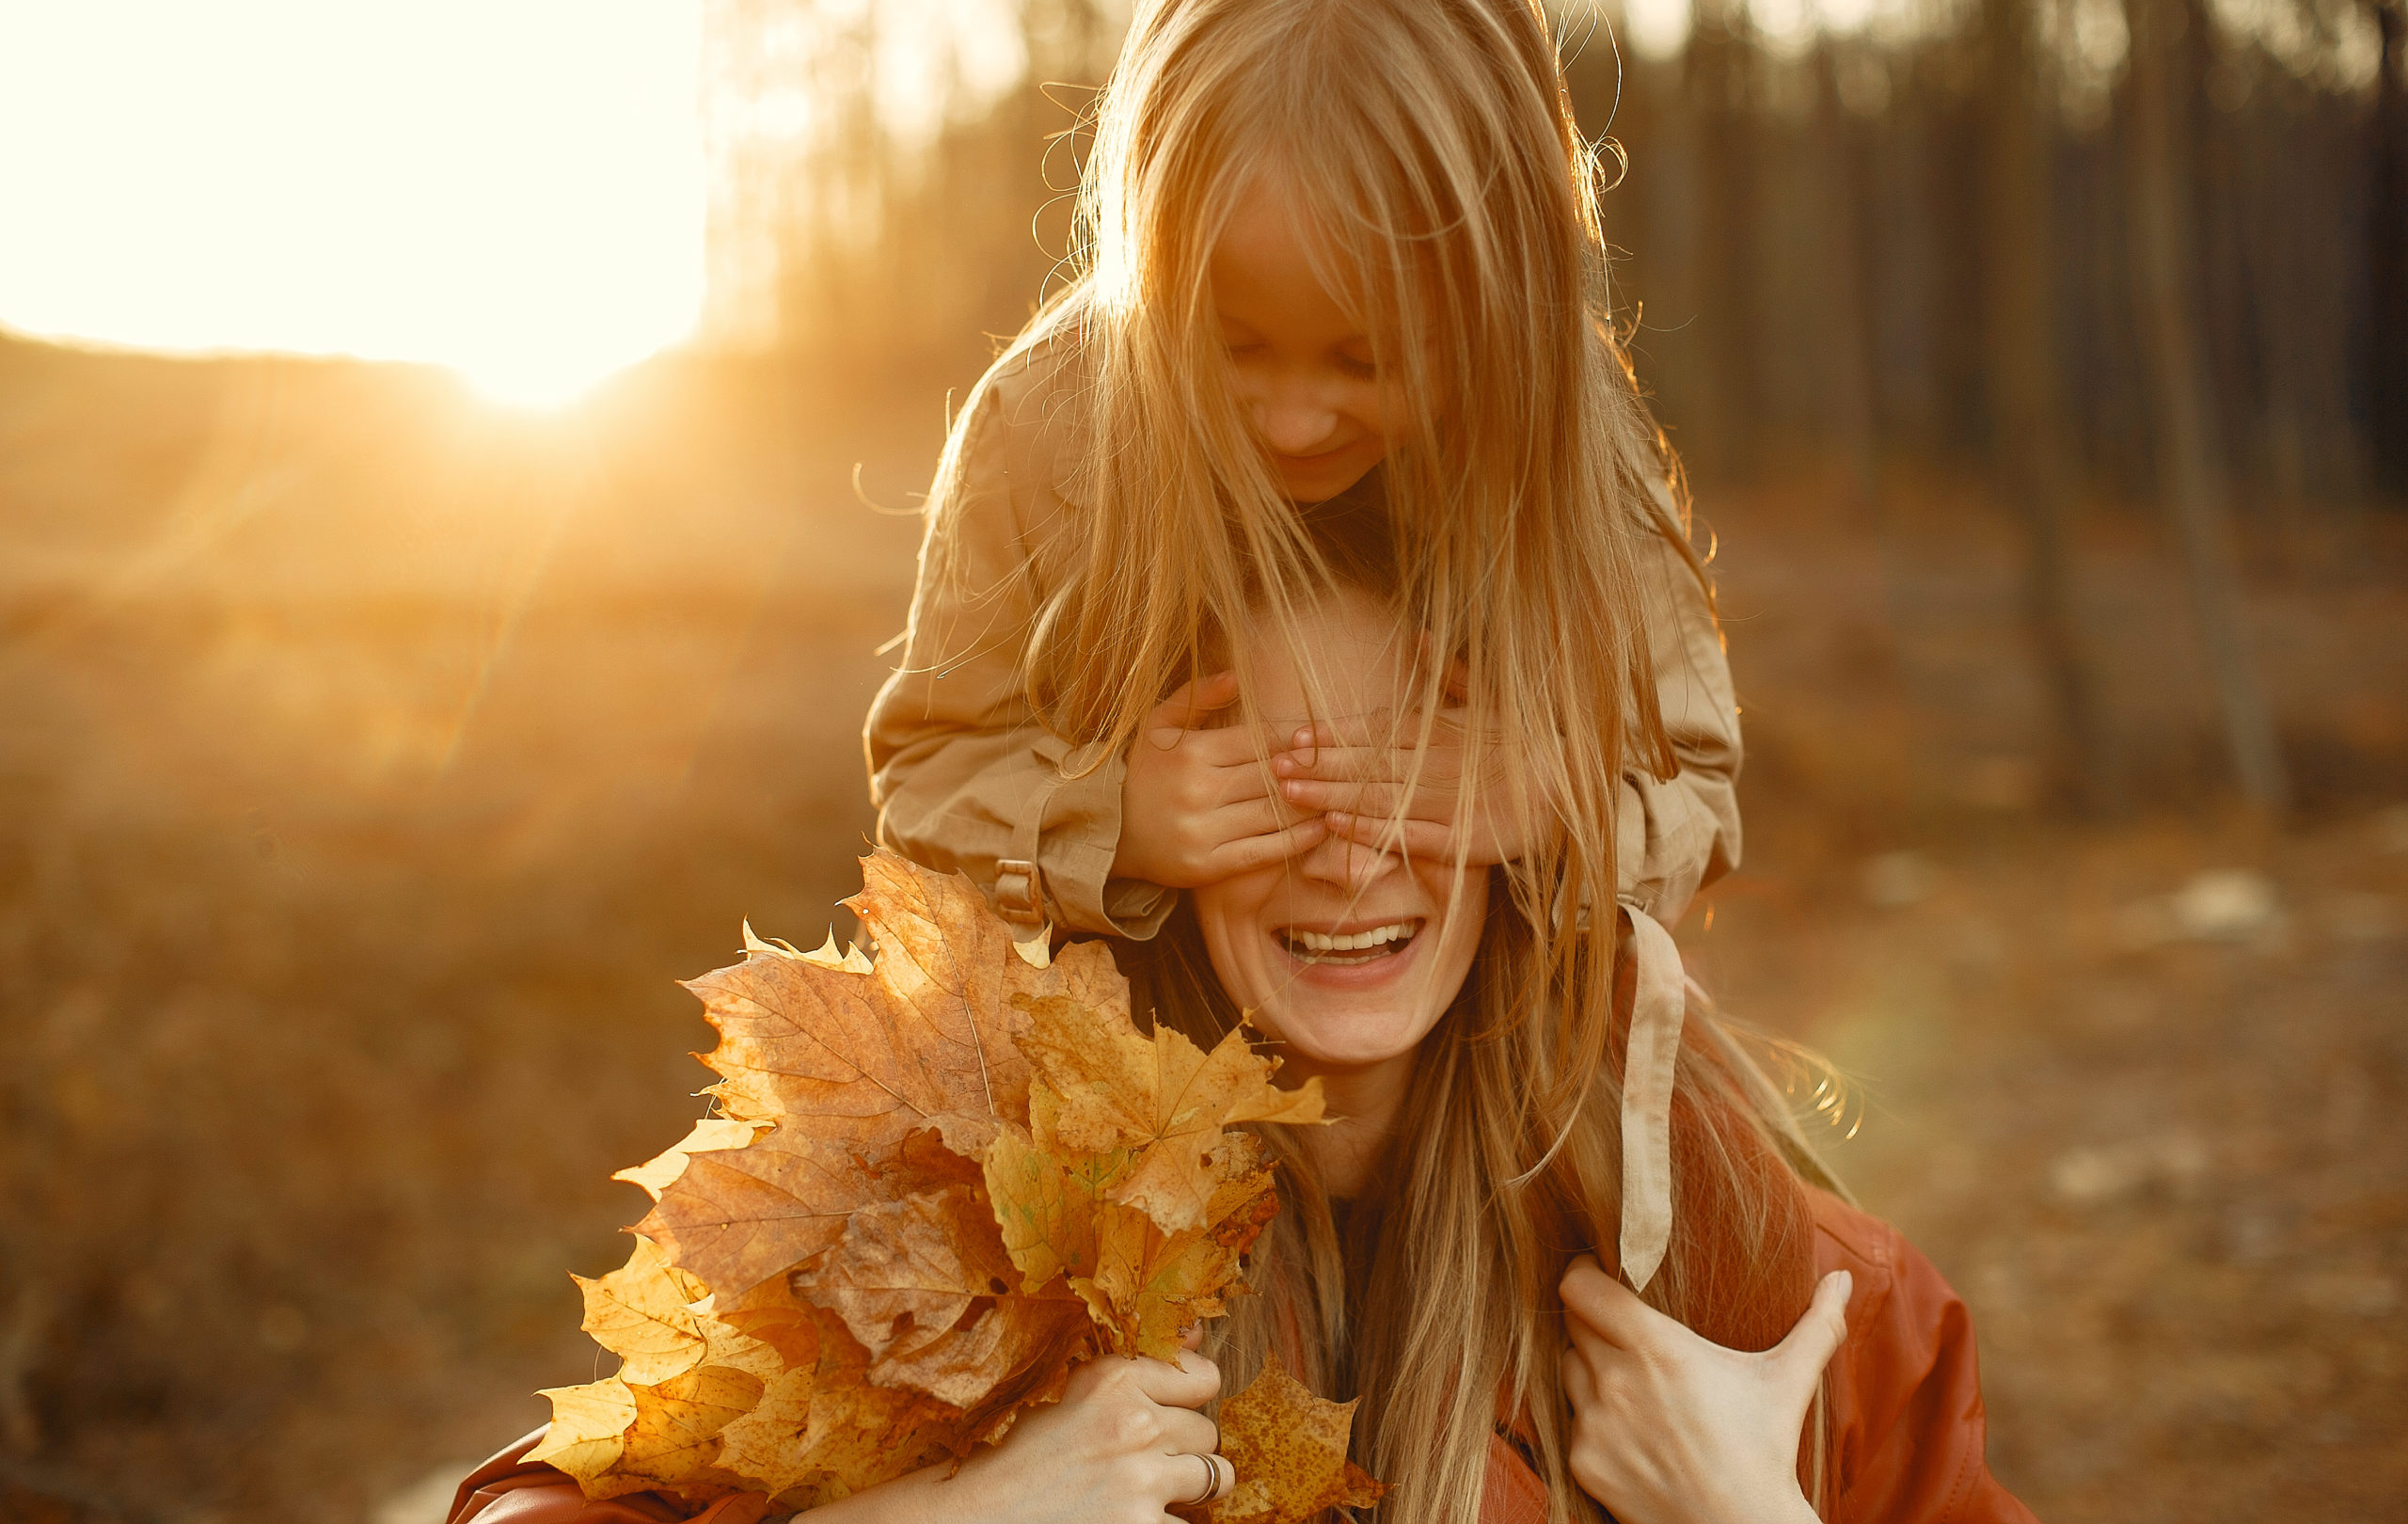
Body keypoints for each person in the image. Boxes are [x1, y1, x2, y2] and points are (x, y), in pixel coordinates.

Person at [447, 579, 2035, 1524]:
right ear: (1143, 825)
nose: (1348, 859)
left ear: (1521, 814)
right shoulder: (957, 1238)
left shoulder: (1784, 1310)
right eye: (1266, 779)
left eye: (1411, 772)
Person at [865, 0, 1741, 980]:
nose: (1292, 421)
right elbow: (929, 767)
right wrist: (1113, 823)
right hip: (1133, 1074)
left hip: (1487, 1058)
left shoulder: (1564, 441)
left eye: (1365, 364)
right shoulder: (1052, 426)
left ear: (1497, 315)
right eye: (1230, 347)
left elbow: (1694, 781)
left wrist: (1548, 800)